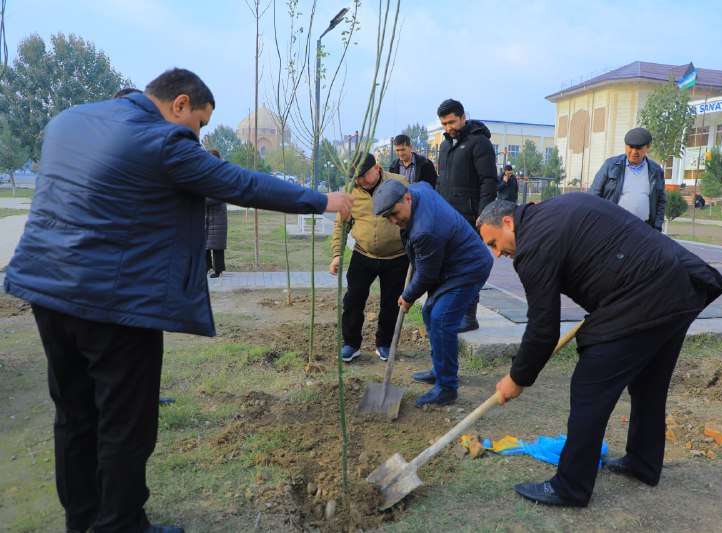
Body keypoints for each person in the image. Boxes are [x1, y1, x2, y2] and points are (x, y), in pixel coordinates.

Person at [3, 68, 354, 533]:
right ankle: (121, 525)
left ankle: (82, 519)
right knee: (126, 423)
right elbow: (240, 184)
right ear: (180, 104)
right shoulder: (163, 141)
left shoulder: (69, 119)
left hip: (47, 293)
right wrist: (322, 200)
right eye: (201, 124)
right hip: (113, 306)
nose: (198, 135)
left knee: (74, 414)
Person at [477, 194, 722, 508]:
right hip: (679, 283)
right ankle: (642, 463)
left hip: (647, 292)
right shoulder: (554, 210)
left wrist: (517, 378)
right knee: (648, 383)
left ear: (508, 222)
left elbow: (543, 328)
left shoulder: (533, 244)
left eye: (494, 242)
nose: (497, 253)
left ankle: (570, 487)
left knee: (590, 384)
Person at [373, 179, 492, 407]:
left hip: (467, 268)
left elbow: (426, 275)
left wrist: (407, 296)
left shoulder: (424, 230)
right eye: (388, 217)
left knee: (441, 318)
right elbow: (426, 183)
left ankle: (446, 387)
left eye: (395, 214)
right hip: (450, 264)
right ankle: (440, 369)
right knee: (430, 314)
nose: (394, 221)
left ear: (407, 198)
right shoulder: (418, 191)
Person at [329, 153, 409, 363]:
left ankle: (384, 343)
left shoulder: (398, 183)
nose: (359, 181)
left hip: (397, 257)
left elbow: (413, 212)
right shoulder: (350, 192)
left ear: (376, 167)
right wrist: (337, 254)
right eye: (355, 177)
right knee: (353, 300)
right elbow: (341, 223)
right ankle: (351, 344)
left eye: (363, 176)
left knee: (391, 304)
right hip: (363, 255)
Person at [435, 98, 498, 332]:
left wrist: (483, 214)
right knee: (450, 266)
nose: (448, 127)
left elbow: (488, 181)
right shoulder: (444, 146)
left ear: (463, 118)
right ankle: (455, 310)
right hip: (448, 218)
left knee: (469, 266)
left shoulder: (479, 142)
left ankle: (469, 315)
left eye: (452, 121)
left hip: (472, 218)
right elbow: (442, 182)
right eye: (444, 124)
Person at [589, 127, 666, 231]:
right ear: (625, 146)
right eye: (631, 147)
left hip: (644, 230)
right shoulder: (610, 166)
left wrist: (656, 227)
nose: (634, 152)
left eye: (639, 148)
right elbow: (594, 196)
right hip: (612, 228)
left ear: (648, 147)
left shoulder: (656, 171)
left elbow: (660, 202)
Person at [205, 149, 228, 278]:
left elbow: (221, 195)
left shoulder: (221, 174)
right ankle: (206, 266)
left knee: (216, 245)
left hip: (217, 214)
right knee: (205, 244)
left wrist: (202, 200)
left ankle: (218, 269)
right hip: (206, 214)